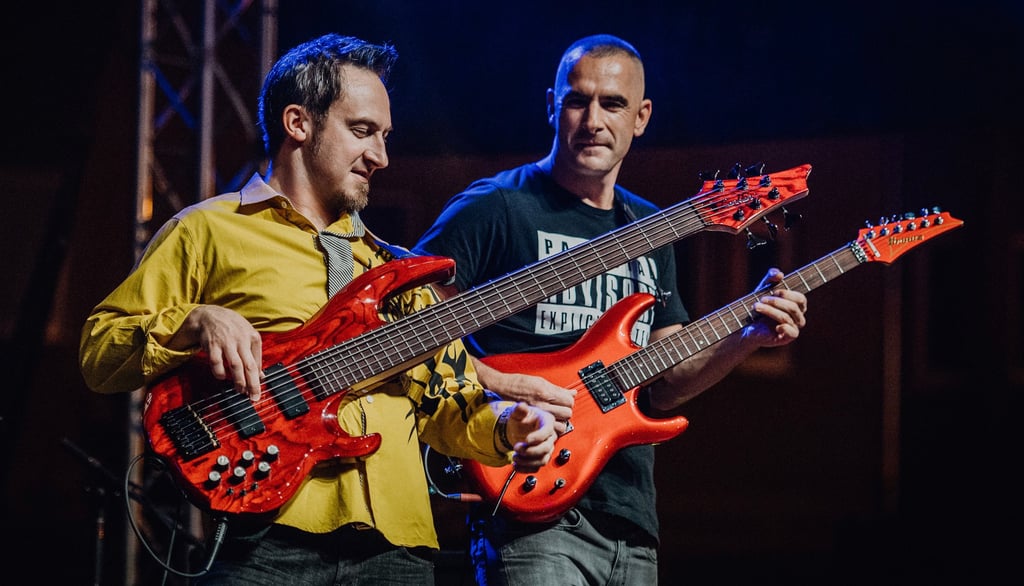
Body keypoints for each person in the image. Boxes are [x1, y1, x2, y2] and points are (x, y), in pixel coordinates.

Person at [79, 33, 557, 585]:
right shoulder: (208, 230)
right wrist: (195, 321)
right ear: (298, 123)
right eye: (362, 131)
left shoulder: (397, 270)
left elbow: (450, 410)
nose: (381, 156)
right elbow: (99, 351)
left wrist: (510, 425)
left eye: (384, 137)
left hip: (397, 550)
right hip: (267, 540)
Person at [412, 34, 808, 585]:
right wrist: (501, 383)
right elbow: (407, 327)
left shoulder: (652, 229)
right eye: (578, 100)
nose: (593, 120)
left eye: (613, 103)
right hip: (528, 507)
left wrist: (747, 338)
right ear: (551, 105)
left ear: (641, 117)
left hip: (630, 518)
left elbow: (665, 383)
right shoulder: (496, 207)